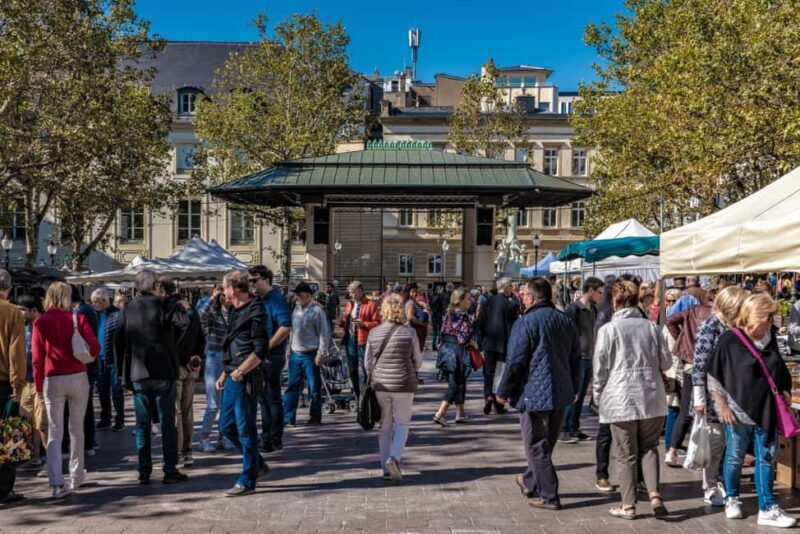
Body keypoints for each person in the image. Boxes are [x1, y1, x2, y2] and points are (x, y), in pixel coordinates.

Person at [707, 294, 796, 528]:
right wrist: (722, 406)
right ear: (753, 315)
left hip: (767, 410)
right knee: (735, 456)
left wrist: (785, 389)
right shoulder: (730, 340)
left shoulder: (770, 337)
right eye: (767, 317)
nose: (770, 322)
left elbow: (779, 368)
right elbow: (714, 375)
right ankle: (732, 498)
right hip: (737, 412)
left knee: (766, 458)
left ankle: (767, 508)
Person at [495, 277, 580, 511]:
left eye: (523, 295)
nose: (521, 298)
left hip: (533, 392)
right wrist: (574, 387)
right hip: (560, 391)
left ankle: (550, 495)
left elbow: (516, 361)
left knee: (535, 445)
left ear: (531, 298)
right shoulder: (565, 321)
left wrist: (503, 391)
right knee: (546, 444)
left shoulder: (526, 322)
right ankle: (530, 481)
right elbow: (576, 358)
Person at [593, 280, 671, 520]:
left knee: (626, 454)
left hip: (620, 398)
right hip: (651, 396)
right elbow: (666, 362)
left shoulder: (608, 330)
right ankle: (655, 495)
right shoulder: (651, 328)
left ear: (615, 302)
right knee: (649, 448)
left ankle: (628, 505)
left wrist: (597, 395)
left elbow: (600, 369)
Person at [114, 270, 189, 485]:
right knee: (167, 422)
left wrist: (121, 371)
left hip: (139, 371)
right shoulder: (165, 304)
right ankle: (169, 469)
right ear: (156, 285)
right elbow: (184, 323)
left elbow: (118, 340)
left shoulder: (129, 307)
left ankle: (144, 470)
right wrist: (172, 345)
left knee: (142, 424)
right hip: (164, 369)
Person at [32, 282, 100, 499]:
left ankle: (56, 482)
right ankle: (76, 475)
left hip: (52, 378)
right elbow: (95, 347)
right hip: (78, 376)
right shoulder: (77, 319)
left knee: (54, 431)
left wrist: (38, 385)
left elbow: (36, 359)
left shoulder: (40, 322)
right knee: (76, 429)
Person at [691, 286, 748, 507]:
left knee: (728, 442)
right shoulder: (711, 326)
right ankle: (710, 486)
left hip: (733, 393)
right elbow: (699, 364)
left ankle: (723, 482)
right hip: (711, 395)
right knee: (714, 443)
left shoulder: (736, 327)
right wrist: (699, 399)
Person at [216, 270, 270, 497]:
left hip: (245, 377)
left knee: (245, 430)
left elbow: (261, 350)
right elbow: (233, 345)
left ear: (234, 288)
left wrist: (240, 371)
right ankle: (257, 463)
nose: (222, 291)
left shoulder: (255, 311)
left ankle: (247, 480)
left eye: (224, 286)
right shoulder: (235, 311)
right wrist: (225, 371)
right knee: (226, 427)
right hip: (232, 376)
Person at [365, 294, 422, 482]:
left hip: (381, 385)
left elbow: (367, 364)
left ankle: (385, 468)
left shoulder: (374, 333)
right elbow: (418, 361)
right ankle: (394, 457)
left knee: (385, 426)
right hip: (404, 384)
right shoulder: (409, 333)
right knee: (402, 423)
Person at [156, 278, 205, 467]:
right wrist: (197, 356)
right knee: (187, 410)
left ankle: (175, 453)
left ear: (162, 291)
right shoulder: (191, 308)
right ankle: (187, 452)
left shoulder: (167, 309)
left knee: (174, 411)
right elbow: (200, 336)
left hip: (175, 365)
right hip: (191, 363)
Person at [663, 290, 712, 467]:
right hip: (708, 365)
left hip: (689, 363)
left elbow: (669, 321)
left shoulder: (692, 311)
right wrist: (681, 339)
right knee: (705, 410)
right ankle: (699, 452)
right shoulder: (714, 313)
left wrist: (682, 340)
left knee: (685, 410)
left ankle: (672, 451)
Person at [248, 266, 291, 453]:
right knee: (264, 399)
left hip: (271, 357)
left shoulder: (275, 299)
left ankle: (273, 439)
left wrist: (266, 347)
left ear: (266, 280)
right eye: (249, 281)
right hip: (262, 356)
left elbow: (285, 327)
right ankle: (267, 437)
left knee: (271, 398)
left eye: (254, 280)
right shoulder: (261, 299)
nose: (251, 284)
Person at [559, 277, 604, 446]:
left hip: (589, 357)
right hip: (577, 358)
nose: (601, 296)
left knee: (582, 395)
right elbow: (566, 334)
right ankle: (563, 429)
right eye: (599, 292)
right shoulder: (573, 309)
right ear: (590, 290)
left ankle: (574, 427)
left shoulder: (593, 309)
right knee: (573, 394)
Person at [283, 283, 331, 426]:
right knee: (292, 386)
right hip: (295, 353)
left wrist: (321, 354)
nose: (297, 297)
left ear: (308, 295)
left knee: (313, 387)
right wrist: (289, 349)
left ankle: (315, 417)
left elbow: (324, 334)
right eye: (296, 294)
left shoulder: (317, 311)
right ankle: (288, 418)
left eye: (299, 294)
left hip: (311, 354)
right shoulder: (296, 309)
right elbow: (292, 331)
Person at [197, 286, 233, 452]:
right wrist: (211, 298)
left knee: (227, 402)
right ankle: (204, 439)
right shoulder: (213, 312)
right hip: (214, 355)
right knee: (213, 403)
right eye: (223, 295)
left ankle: (223, 437)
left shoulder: (235, 313)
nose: (227, 298)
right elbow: (199, 317)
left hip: (230, 357)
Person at [0, 270, 26, 504]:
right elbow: (16, 354)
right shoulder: (12, 312)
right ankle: (4, 489)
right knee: (9, 436)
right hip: (3, 384)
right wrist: (18, 386)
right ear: (8, 289)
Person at [433, 288, 477, 425]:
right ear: (461, 300)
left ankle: (460, 413)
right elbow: (463, 338)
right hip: (458, 352)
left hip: (447, 351)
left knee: (459, 381)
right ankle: (440, 413)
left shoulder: (449, 313)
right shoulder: (463, 315)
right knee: (456, 382)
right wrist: (473, 343)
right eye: (468, 298)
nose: (471, 301)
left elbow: (442, 333)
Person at [475, 277, 518, 416]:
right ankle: (498, 405)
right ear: (505, 288)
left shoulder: (488, 302)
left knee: (488, 373)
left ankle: (488, 396)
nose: (512, 289)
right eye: (510, 286)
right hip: (503, 346)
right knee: (499, 375)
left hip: (488, 344)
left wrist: (480, 344)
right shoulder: (510, 305)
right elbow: (512, 328)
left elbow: (479, 324)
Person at [17, 295, 47, 475]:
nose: (19, 312)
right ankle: (32, 457)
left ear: (34, 310)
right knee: (25, 421)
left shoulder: (43, 325)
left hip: (42, 381)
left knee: (42, 423)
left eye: (22, 309)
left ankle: (50, 462)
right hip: (26, 381)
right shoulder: (23, 327)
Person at [70, 285, 99, 457]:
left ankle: (88, 442)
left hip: (85, 364)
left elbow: (90, 342)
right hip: (88, 363)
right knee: (86, 405)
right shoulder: (86, 310)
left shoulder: (81, 312)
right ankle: (90, 442)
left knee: (85, 406)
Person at [91, 288, 125, 432]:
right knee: (102, 391)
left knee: (117, 391)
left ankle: (120, 420)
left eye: (96, 302)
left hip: (113, 360)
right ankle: (105, 418)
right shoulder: (94, 314)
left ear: (104, 300)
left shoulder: (117, 314)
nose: (94, 304)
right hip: (98, 359)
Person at [340, 280, 380, 398]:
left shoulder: (370, 304)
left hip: (364, 340)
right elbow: (347, 322)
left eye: (352, 292)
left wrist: (364, 324)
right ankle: (356, 394)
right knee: (352, 369)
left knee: (366, 368)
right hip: (350, 340)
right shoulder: (349, 304)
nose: (350, 294)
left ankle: (366, 393)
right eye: (349, 292)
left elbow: (377, 323)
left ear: (360, 291)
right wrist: (341, 323)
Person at [404, 283, 428, 352]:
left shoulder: (412, 301)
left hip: (413, 329)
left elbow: (422, 308)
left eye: (416, 291)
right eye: (413, 292)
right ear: (408, 292)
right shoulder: (410, 303)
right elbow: (410, 317)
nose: (415, 293)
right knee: (415, 350)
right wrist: (422, 323)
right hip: (414, 329)